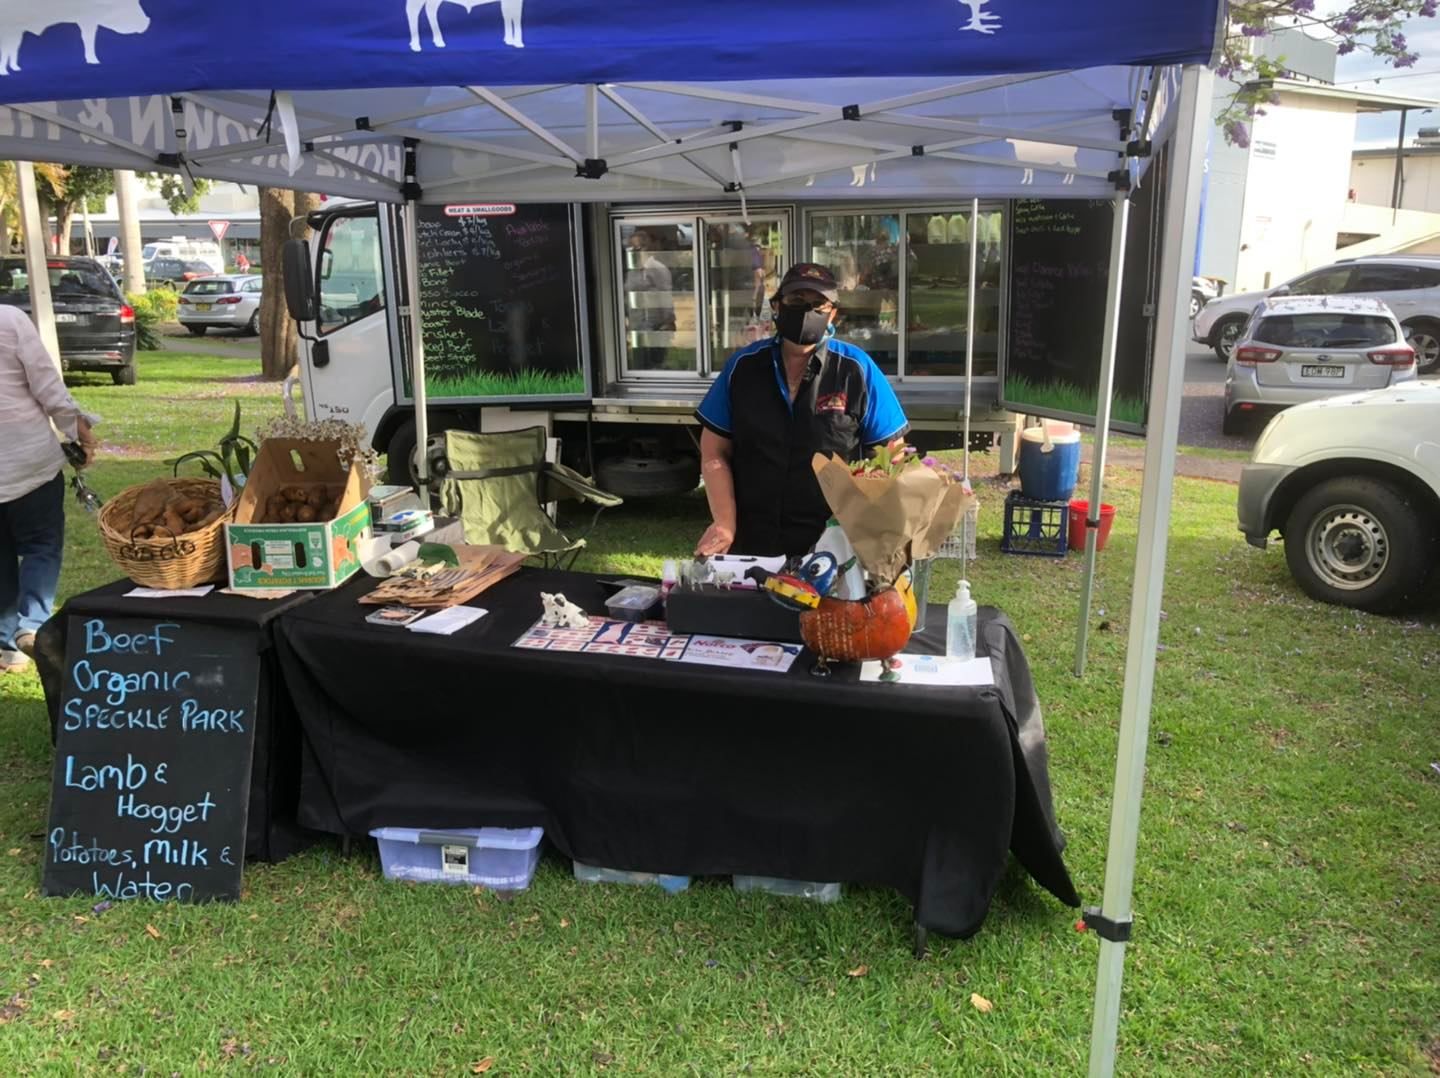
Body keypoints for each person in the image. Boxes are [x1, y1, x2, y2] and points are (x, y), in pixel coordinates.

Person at [694, 262, 908, 558]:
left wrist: (870, 522)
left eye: (818, 304)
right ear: (777, 306)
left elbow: (892, 454)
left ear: (834, 313)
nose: (807, 311)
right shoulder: (742, 368)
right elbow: (714, 451)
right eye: (796, 301)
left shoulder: (856, 370)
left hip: (833, 546)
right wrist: (725, 523)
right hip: (751, 541)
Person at [0, 306, 97, 673]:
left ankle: (7, 647)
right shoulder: (10, 320)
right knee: (41, 546)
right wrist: (79, 431)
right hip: (28, 461)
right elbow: (48, 386)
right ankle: (34, 624)